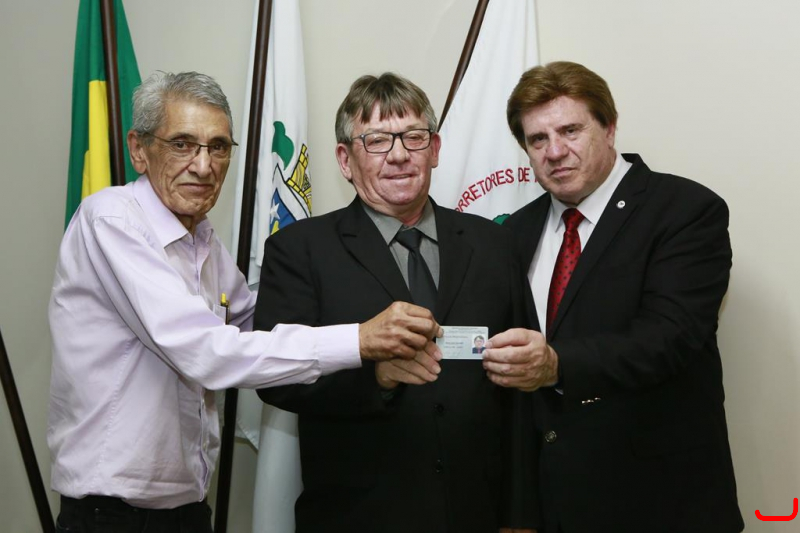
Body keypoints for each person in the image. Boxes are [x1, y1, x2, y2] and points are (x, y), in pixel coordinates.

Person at [48, 71, 441, 533]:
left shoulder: (201, 240)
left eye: (218, 147)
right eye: (182, 144)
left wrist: (364, 326)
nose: (203, 165)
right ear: (139, 149)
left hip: (187, 507)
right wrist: (360, 339)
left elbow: (260, 320)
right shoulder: (112, 220)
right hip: (112, 516)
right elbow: (207, 352)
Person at [256, 73, 537, 533]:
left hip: (477, 513)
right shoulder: (299, 250)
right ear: (345, 160)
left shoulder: (494, 244)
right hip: (358, 517)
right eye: (377, 140)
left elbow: (521, 388)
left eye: (414, 137)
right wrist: (377, 378)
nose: (400, 154)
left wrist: (521, 514)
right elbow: (276, 378)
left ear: (435, 149)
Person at [481, 61, 744, 532]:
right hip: (552, 506)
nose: (555, 151)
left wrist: (556, 364)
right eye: (537, 139)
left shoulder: (685, 211)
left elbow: (668, 338)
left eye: (570, 130)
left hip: (661, 503)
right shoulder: (513, 233)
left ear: (609, 128)